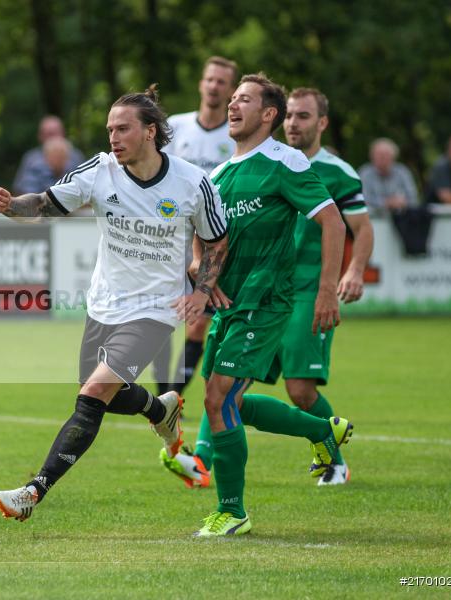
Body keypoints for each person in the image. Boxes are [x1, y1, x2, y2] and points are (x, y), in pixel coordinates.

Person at [0, 85, 229, 522]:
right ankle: (161, 409)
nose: (113, 137)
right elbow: (44, 203)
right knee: (103, 394)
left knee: (94, 392)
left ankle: (32, 492)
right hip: (103, 303)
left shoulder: (193, 182)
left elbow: (216, 241)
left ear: (150, 131)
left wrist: (201, 291)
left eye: (122, 128)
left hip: (155, 310)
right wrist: (11, 207)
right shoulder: (100, 170)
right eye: (109, 129)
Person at [162, 73, 353, 537]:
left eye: (244, 99)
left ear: (269, 114)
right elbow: (200, 236)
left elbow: (333, 224)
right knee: (230, 405)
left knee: (217, 397)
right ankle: (320, 431)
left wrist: (327, 291)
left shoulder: (283, 161)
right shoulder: (219, 175)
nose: (232, 106)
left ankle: (233, 512)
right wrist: (199, 272)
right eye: (231, 99)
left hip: (267, 303)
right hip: (230, 307)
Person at [154, 56, 238, 397]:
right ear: (201, 84)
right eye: (210, 79)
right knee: (158, 323)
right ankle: (165, 398)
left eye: (222, 81)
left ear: (231, 90)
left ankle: (171, 399)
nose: (214, 86)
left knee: (197, 323)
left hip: (210, 238)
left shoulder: (235, 134)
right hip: (170, 239)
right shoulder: (177, 127)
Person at [13, 116, 85, 194]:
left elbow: (86, 190)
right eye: (49, 134)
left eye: (56, 133)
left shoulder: (76, 157)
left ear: (63, 133)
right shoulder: (31, 159)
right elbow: (25, 192)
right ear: (40, 137)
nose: (53, 139)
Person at [358, 138, 420, 212]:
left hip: (401, 217)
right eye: (379, 154)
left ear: (394, 157)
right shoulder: (365, 173)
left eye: (386, 155)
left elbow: (413, 198)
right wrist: (386, 203)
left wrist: (403, 202)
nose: (382, 158)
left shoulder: (402, 172)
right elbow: (361, 199)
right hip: (373, 218)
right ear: (372, 156)